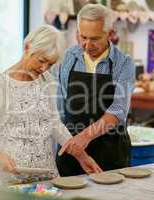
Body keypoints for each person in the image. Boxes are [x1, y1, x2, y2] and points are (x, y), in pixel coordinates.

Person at [0, 25, 102, 187]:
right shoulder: (0, 86)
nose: (44, 68)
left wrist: (82, 156)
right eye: (41, 61)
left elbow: (54, 123)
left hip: (45, 177)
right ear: (27, 48)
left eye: (50, 64)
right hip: (10, 178)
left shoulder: (47, 81)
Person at [56, 4, 135, 176]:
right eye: (83, 37)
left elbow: (118, 110)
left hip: (110, 152)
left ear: (110, 34)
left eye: (95, 38)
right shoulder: (69, 58)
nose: (87, 45)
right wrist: (73, 146)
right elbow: (60, 106)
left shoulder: (124, 63)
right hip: (71, 152)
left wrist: (84, 137)